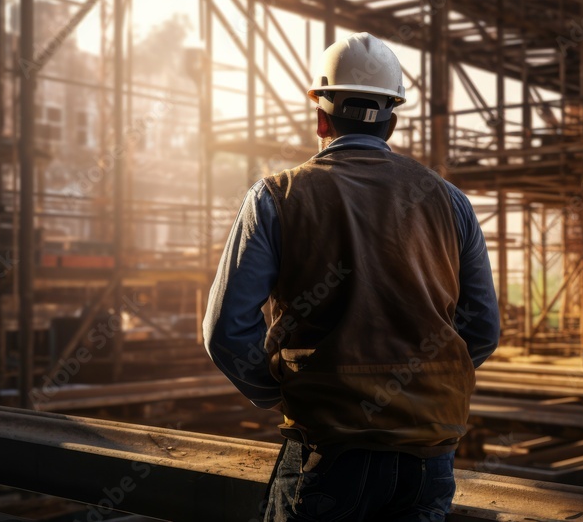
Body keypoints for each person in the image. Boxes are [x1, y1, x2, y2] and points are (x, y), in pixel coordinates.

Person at [203, 32, 499, 521]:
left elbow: (226, 332)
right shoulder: (451, 202)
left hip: (327, 452)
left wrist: (283, 390)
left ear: (321, 116)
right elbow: (481, 329)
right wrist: (426, 393)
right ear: (393, 120)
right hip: (429, 458)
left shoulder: (276, 197)